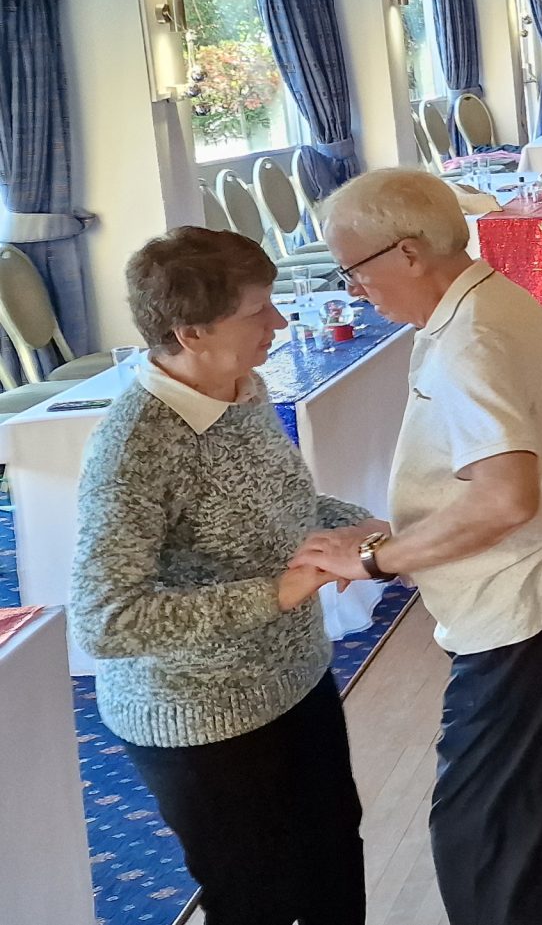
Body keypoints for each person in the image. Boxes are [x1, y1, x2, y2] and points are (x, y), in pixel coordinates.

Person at [300, 168, 542, 925]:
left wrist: (375, 559)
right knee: (511, 823)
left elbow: (505, 497)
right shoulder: (477, 306)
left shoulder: (471, 338)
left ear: (408, 252)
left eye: (354, 269)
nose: (354, 290)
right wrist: (397, 534)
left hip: (525, 607)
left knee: (479, 839)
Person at [71, 226, 378, 924]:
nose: (279, 322)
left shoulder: (241, 387)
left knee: (334, 859)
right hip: (200, 719)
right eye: (258, 310)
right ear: (192, 333)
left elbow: (284, 505)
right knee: (255, 898)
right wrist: (277, 593)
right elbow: (106, 619)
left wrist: (358, 525)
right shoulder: (134, 447)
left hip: (293, 677)